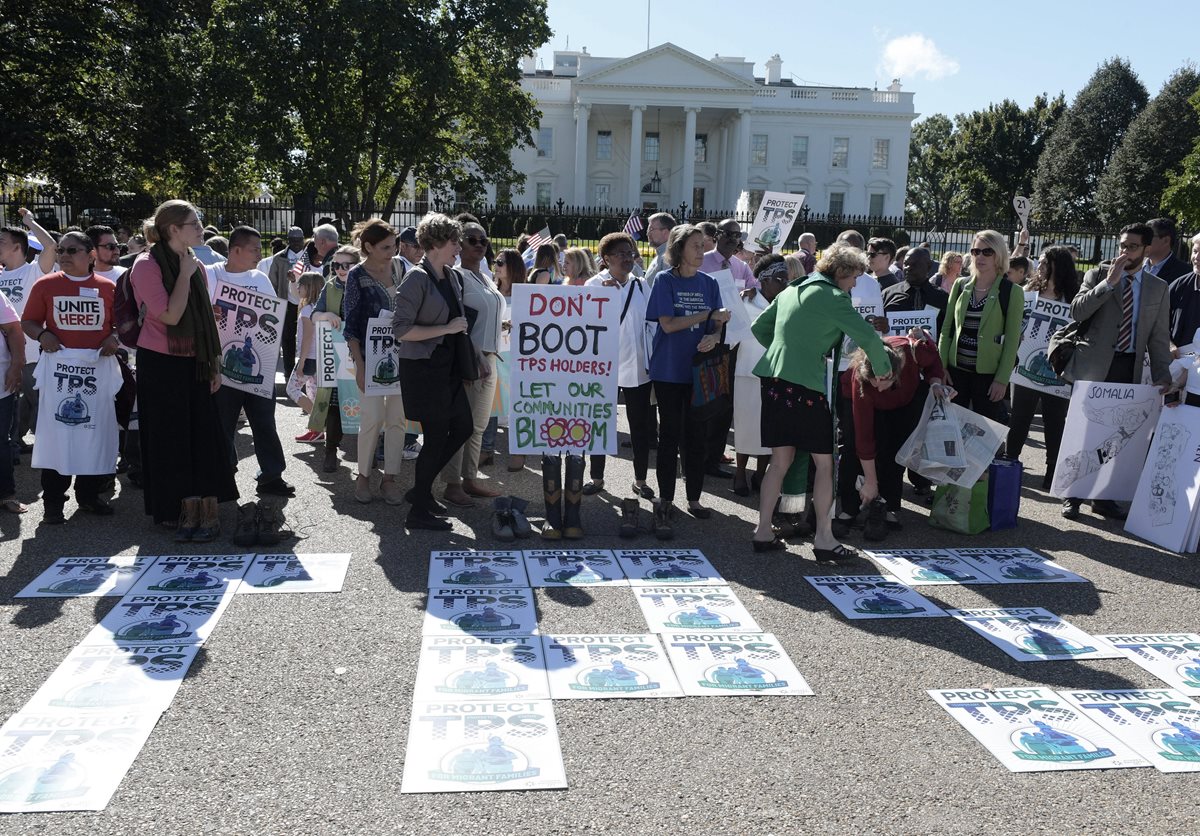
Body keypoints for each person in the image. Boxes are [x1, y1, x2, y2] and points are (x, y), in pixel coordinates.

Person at [750, 243, 892, 558]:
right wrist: (884, 372)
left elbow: (759, 328)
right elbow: (868, 338)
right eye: (854, 277)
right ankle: (825, 540)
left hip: (773, 381)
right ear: (841, 272)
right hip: (806, 388)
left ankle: (762, 531)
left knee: (779, 462)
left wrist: (790, 349)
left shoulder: (793, 288)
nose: (854, 284)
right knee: (825, 465)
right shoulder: (834, 297)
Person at [128, 200, 237, 539]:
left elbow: (204, 321)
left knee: (202, 433)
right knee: (168, 436)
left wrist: (214, 364)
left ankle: (203, 504)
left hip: (196, 360)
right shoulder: (145, 265)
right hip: (161, 362)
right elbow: (171, 315)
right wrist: (186, 275)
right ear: (173, 229)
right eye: (194, 223)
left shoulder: (195, 264)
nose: (201, 228)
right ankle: (172, 507)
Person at [1059, 222, 1173, 520]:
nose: (1125, 252)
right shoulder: (1098, 274)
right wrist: (1108, 284)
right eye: (1122, 245)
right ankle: (1073, 495)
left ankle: (1103, 497)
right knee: (1085, 432)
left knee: (1116, 435)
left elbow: (1159, 338)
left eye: (1132, 247)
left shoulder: (1158, 288)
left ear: (1146, 249)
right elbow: (1077, 311)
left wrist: (1163, 375)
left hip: (1128, 366)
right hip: (1094, 366)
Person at [21, 230, 122, 523]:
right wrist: (43, 335)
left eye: (71, 250)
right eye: (61, 250)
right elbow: (28, 321)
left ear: (90, 256)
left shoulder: (108, 288)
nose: (64, 255)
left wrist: (113, 338)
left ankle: (88, 496)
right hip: (59, 375)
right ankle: (53, 502)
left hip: (96, 373)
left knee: (94, 433)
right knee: (58, 436)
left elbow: (121, 325)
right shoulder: (46, 285)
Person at [644, 224, 731, 538]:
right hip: (669, 371)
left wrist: (715, 335)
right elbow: (667, 325)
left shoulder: (709, 282)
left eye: (702, 245)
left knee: (696, 437)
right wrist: (707, 316)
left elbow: (719, 323)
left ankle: (694, 498)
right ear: (678, 249)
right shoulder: (665, 280)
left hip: (699, 372)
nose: (701, 250)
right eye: (695, 245)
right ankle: (665, 499)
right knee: (669, 436)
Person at [394, 213, 475, 531]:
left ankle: (421, 490)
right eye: (455, 242)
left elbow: (458, 323)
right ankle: (418, 511)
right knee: (437, 436)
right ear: (438, 243)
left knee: (464, 427)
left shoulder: (452, 276)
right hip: (424, 370)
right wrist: (446, 328)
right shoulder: (415, 278)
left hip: (449, 368)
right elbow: (401, 330)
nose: (459, 248)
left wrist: (474, 354)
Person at [206, 226, 294, 498]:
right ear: (236, 250)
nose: (259, 254)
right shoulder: (211, 275)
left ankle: (271, 475)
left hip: (259, 365)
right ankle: (224, 474)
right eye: (255, 249)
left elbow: (271, 318)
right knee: (223, 424)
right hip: (223, 365)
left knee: (264, 422)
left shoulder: (260, 279)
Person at [837, 336, 951, 541]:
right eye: (875, 382)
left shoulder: (913, 352)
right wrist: (871, 481)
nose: (880, 387)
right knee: (853, 446)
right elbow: (864, 436)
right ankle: (850, 508)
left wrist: (935, 383)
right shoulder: (861, 380)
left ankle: (887, 506)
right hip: (857, 399)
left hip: (903, 402)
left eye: (885, 380)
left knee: (895, 449)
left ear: (896, 372)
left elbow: (934, 361)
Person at [584, 233, 655, 530]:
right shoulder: (594, 285)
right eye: (622, 253)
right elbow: (587, 325)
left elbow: (652, 322)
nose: (629, 258)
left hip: (637, 367)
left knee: (640, 425)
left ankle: (640, 479)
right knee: (600, 421)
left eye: (631, 253)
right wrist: (608, 298)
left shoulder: (641, 285)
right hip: (604, 365)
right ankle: (596, 477)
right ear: (606, 259)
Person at [439, 222, 504, 508]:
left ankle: (469, 479)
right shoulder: (455, 277)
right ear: (459, 244)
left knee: (478, 426)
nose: (479, 245)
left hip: (490, 358)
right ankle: (452, 484)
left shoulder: (485, 277)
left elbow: (482, 316)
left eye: (483, 240)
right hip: (468, 361)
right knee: (460, 425)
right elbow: (456, 322)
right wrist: (470, 359)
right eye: (472, 240)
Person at [343, 219, 407, 506]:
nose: (392, 252)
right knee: (371, 418)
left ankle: (390, 478)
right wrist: (360, 365)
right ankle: (363, 476)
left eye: (394, 246)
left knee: (397, 419)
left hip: (401, 356)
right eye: (386, 247)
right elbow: (351, 325)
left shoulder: (400, 268)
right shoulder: (356, 275)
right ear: (368, 247)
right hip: (369, 358)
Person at [1005, 245, 1079, 490]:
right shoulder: (1029, 291)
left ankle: (1052, 470)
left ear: (1061, 267)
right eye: (1041, 262)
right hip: (1024, 367)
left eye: (1047, 263)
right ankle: (1010, 463)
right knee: (1019, 418)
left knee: (1055, 422)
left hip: (1058, 371)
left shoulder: (1074, 298)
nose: (1041, 266)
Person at [937, 230, 1024, 423]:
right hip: (955, 373)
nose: (980, 256)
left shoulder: (1011, 291)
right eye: (976, 251)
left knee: (984, 434)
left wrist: (1001, 379)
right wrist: (941, 368)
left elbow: (1012, 340)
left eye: (987, 252)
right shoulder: (960, 285)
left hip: (988, 376)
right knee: (952, 430)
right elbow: (947, 330)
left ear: (998, 255)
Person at [732, 256, 790, 496]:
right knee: (745, 425)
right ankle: (740, 473)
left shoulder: (786, 303)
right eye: (779, 279)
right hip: (747, 372)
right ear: (764, 280)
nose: (785, 284)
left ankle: (760, 474)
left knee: (768, 428)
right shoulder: (746, 301)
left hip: (775, 373)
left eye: (786, 279)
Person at [308, 244, 359, 471]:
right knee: (334, 403)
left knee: (367, 402)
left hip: (362, 353)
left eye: (346, 265)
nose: (340, 269)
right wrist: (327, 314)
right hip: (336, 356)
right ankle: (330, 450)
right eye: (336, 265)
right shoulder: (329, 287)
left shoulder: (367, 285)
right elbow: (314, 316)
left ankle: (370, 452)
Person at [481, 248, 525, 470]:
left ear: (513, 267)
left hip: (517, 357)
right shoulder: (489, 291)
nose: (495, 266)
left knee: (518, 403)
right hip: (494, 353)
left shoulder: (525, 294)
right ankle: (486, 449)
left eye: (500, 262)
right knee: (491, 401)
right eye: (495, 262)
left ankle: (519, 451)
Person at [266, 226, 308, 380]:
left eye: (299, 239)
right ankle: (289, 372)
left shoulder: (309, 255)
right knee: (287, 338)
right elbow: (272, 282)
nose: (296, 243)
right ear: (288, 240)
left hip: (306, 303)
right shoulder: (279, 258)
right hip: (287, 302)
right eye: (293, 240)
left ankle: (306, 371)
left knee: (307, 338)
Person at [287, 270, 327, 416]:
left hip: (309, 358)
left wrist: (301, 362)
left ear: (309, 287)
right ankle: (317, 425)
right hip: (320, 357)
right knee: (313, 393)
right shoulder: (320, 309)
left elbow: (307, 338)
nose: (298, 288)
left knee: (292, 389)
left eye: (301, 285)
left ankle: (318, 421)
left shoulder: (307, 310)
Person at [0, 288, 24, 513]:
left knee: (1, 441)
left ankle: (6, 494)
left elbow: (15, 330)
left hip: (1, 383)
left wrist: (17, 365)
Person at [1168, 232, 1200, 360]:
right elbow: (1157, 323)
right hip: (1178, 362)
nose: (1197, 257)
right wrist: (1169, 344)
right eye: (1195, 251)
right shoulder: (1179, 286)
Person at [643, 212, 676, 288]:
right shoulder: (660, 254)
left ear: (665, 233)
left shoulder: (668, 257)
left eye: (651, 229)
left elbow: (669, 288)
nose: (648, 233)